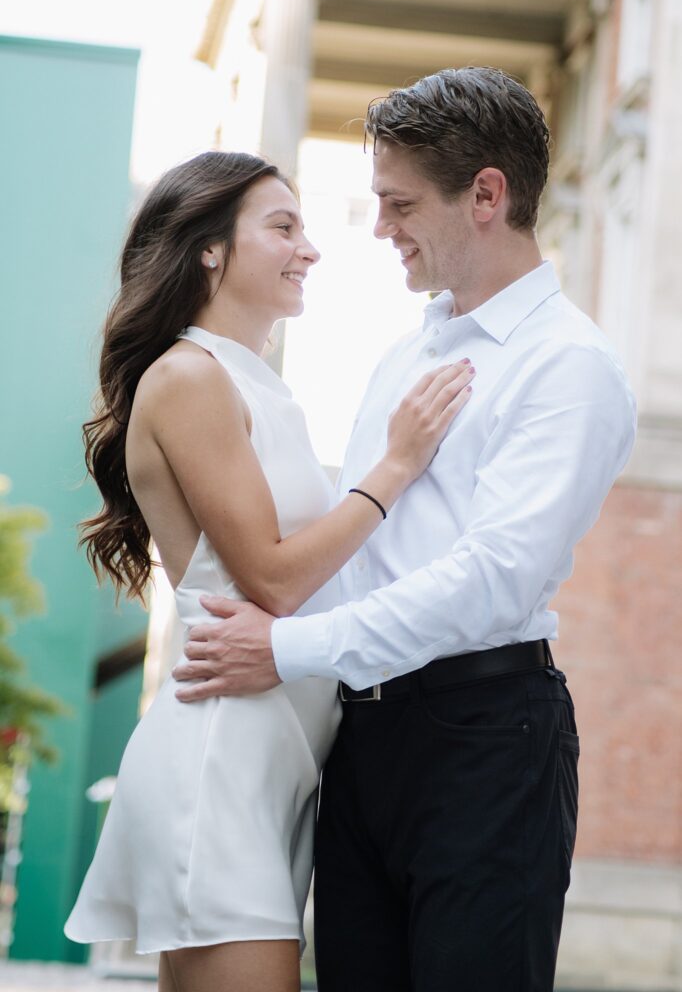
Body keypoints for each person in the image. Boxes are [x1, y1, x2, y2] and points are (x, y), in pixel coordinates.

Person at [172, 68, 637, 991]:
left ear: (487, 197)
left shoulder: (570, 367)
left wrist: (292, 647)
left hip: (485, 741)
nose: (379, 227)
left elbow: (493, 578)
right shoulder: (407, 353)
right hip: (363, 741)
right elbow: (367, 552)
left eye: (399, 203)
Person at [63, 150, 475, 992]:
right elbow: (276, 581)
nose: (310, 249)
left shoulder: (260, 388)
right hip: (221, 758)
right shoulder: (187, 377)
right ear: (209, 248)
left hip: (275, 767)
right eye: (283, 226)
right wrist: (396, 464)